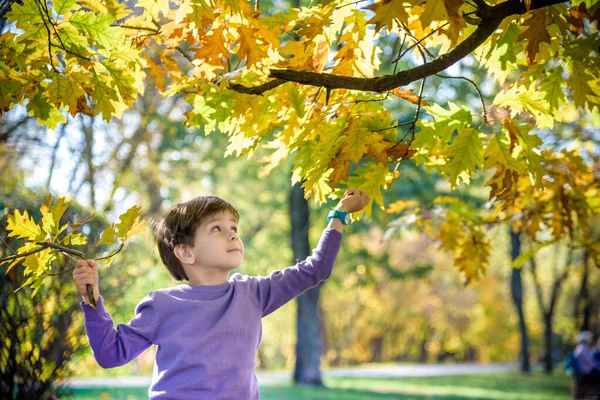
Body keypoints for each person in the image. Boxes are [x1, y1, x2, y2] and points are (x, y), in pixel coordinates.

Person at [72, 189, 370, 399]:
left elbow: (315, 269)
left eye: (233, 227)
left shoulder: (253, 293)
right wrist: (92, 301)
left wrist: (339, 214)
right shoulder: (162, 305)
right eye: (216, 229)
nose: (232, 234)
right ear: (186, 252)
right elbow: (111, 354)